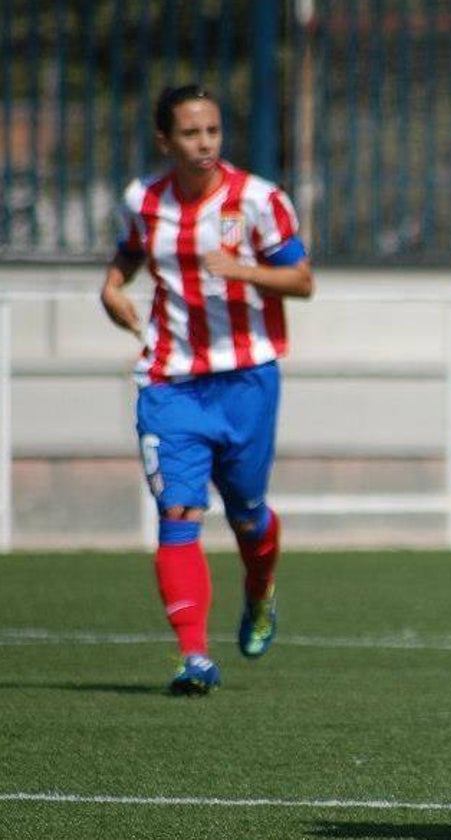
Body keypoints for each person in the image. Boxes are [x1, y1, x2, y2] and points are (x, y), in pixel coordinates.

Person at [100, 84, 314, 695]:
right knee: (178, 512)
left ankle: (260, 590)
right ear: (165, 141)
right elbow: (128, 256)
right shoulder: (142, 200)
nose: (205, 144)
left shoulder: (259, 200)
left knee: (248, 514)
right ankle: (193, 657)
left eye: (213, 132)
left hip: (247, 380)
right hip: (169, 382)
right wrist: (113, 290)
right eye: (191, 134)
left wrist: (245, 269)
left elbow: (302, 281)